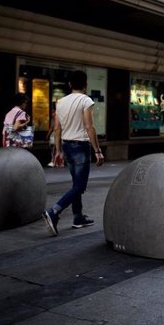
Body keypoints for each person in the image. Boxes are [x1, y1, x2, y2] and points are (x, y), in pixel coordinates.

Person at [43, 70, 104, 236]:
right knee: (80, 186)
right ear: (86, 84)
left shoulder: (61, 102)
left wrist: (58, 150)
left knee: (76, 184)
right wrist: (97, 150)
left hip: (67, 146)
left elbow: (57, 128)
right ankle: (54, 211)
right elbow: (89, 127)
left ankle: (78, 218)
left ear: (70, 85)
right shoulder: (86, 100)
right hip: (81, 146)